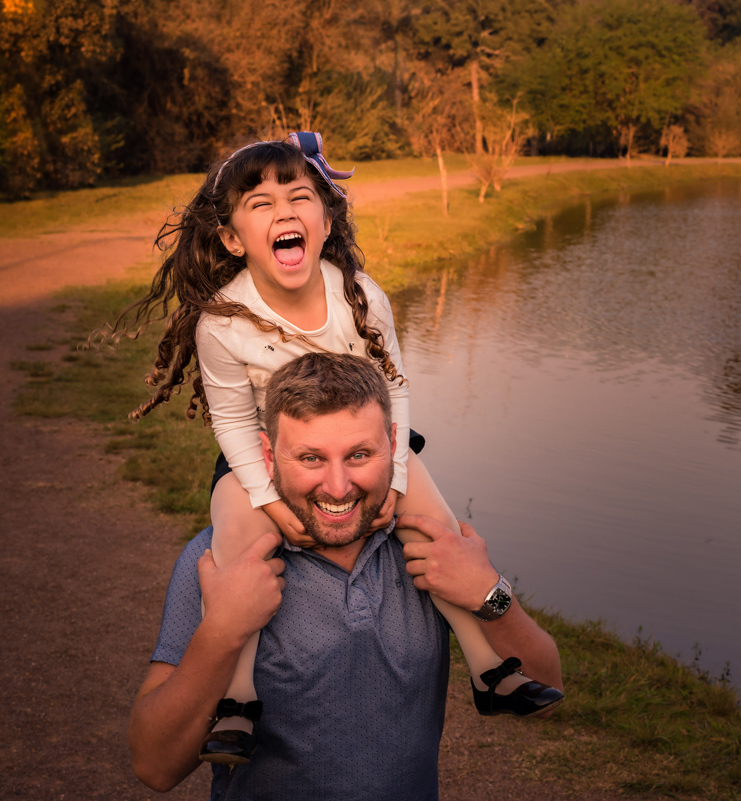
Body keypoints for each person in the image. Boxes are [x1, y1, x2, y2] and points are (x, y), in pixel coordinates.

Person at [111, 132, 560, 765]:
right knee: (238, 544)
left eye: (300, 197)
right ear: (233, 239)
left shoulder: (359, 295)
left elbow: (395, 387)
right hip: (263, 460)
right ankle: (237, 698)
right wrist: (267, 501)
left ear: (326, 221)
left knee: (437, 532)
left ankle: (488, 666)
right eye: (261, 203)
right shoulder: (223, 321)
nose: (284, 211)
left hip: (372, 451)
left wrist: (396, 477)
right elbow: (233, 423)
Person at [129, 352, 564, 797]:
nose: (338, 488)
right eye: (310, 458)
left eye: (359, 454)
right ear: (268, 455)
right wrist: (222, 630)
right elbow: (155, 768)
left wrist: (490, 595)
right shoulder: (218, 560)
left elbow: (547, 695)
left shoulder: (435, 547)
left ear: (394, 444)